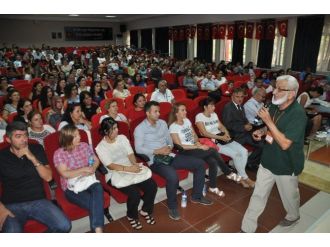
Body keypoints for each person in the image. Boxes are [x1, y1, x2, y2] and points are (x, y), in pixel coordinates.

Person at [241, 75, 307, 232]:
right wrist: (262, 131)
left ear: (291, 93)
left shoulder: (298, 114)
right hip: (267, 160)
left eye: (279, 89)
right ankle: (247, 228)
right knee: (258, 194)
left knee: (290, 198)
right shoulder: (274, 106)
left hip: (286, 164)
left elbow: (285, 144)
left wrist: (268, 121)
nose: (274, 91)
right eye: (275, 87)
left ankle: (293, 215)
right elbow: (270, 128)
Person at [134, 101, 213, 221]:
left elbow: (169, 140)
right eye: (155, 111)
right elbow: (138, 148)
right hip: (155, 160)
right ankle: (172, 206)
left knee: (200, 164)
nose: (158, 114)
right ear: (147, 113)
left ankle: (197, 196)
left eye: (159, 111)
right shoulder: (140, 129)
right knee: (173, 176)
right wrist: (158, 151)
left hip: (169, 154)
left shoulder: (162, 123)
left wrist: (169, 147)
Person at [0, 121, 71, 233]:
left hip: (38, 201)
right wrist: (1, 209)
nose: (24, 140)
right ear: (8, 139)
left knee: (64, 225)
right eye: (18, 136)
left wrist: (32, 157)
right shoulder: (2, 157)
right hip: (12, 205)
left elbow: (48, 177)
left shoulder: (36, 149)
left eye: (25, 135)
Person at [96, 117, 157, 230]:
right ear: (106, 131)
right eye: (113, 129)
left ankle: (145, 210)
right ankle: (131, 215)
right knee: (135, 194)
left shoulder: (122, 138)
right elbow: (110, 165)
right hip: (114, 173)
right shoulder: (101, 147)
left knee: (152, 186)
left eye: (116, 127)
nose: (117, 130)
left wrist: (134, 164)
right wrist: (130, 169)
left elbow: (130, 154)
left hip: (130, 167)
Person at [169, 103, 241, 196]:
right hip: (185, 151)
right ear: (176, 113)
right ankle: (228, 172)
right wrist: (198, 146)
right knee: (213, 150)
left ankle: (213, 187)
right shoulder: (173, 127)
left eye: (185, 110)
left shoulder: (186, 120)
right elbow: (180, 146)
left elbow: (194, 135)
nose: (185, 112)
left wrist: (197, 143)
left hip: (195, 147)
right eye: (182, 110)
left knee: (213, 161)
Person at [53, 125, 104, 233]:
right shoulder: (59, 153)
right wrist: (83, 169)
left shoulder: (84, 146)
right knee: (95, 203)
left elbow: (96, 160)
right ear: (67, 139)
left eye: (79, 134)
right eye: (75, 136)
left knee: (98, 186)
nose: (80, 137)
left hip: (88, 180)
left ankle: (98, 231)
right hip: (71, 187)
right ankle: (98, 230)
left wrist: (93, 168)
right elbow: (65, 174)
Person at [195, 98, 254, 188]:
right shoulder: (199, 116)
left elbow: (221, 126)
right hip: (213, 142)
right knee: (236, 155)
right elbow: (204, 133)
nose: (214, 108)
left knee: (244, 151)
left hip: (222, 138)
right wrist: (221, 137)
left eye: (214, 105)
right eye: (211, 106)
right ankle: (245, 178)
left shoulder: (214, 114)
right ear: (205, 107)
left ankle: (241, 176)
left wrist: (226, 134)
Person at [222, 88, 264, 170]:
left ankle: (250, 162)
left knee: (262, 144)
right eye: (237, 97)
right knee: (258, 145)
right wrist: (243, 127)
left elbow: (244, 119)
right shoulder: (228, 108)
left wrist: (248, 124)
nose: (240, 99)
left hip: (244, 133)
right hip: (235, 135)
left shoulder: (240, 105)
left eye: (241, 97)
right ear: (232, 97)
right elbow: (227, 125)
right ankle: (247, 164)